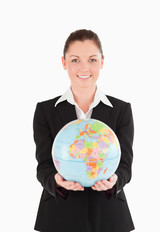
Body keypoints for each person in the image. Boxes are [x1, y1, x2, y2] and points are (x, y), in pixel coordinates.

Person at [33, 29, 135, 232]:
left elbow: (124, 166)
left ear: (102, 62)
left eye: (92, 59)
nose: (84, 67)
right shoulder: (45, 111)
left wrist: (115, 181)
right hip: (58, 215)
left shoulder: (122, 110)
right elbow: (44, 165)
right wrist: (56, 181)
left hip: (109, 217)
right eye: (75, 60)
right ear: (64, 63)